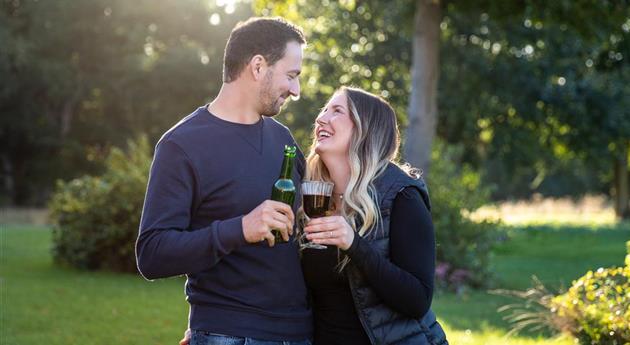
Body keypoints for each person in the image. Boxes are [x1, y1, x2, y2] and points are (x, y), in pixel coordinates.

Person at [135, 17, 313, 345]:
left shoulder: (283, 140)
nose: (296, 90)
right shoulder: (182, 145)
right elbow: (152, 253)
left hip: (299, 332)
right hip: (229, 334)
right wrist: (241, 228)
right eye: (291, 76)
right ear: (258, 66)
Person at [299, 86, 449, 344]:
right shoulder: (312, 196)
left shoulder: (401, 196)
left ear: (364, 128)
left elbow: (417, 301)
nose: (321, 117)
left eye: (336, 111)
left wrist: (353, 244)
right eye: (324, 109)